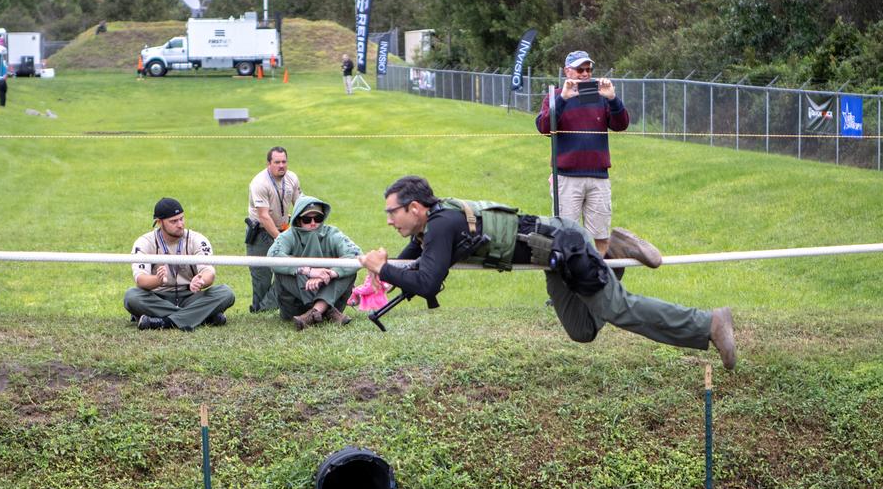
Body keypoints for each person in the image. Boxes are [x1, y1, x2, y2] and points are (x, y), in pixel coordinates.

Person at [358, 175, 737, 370]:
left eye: (393, 212)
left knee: (618, 310)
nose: (389, 220)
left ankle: (709, 324)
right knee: (583, 330)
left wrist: (384, 268)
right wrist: (382, 270)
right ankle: (612, 257)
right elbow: (414, 266)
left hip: (565, 244)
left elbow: (425, 284)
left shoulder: (442, 224)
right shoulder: (431, 227)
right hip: (549, 259)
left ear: (417, 208)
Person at [536, 50, 649, 264]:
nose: (585, 74)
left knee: (600, 237)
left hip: (598, 178)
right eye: (580, 70)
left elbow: (621, 124)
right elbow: (543, 127)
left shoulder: (600, 96)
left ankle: (593, 280)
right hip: (567, 178)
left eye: (588, 69)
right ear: (567, 71)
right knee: (566, 236)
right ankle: (571, 284)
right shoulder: (555, 96)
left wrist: (613, 99)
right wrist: (562, 99)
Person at [126, 197, 234, 331]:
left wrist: (201, 280)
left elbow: (209, 272)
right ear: (159, 222)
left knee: (225, 293)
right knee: (132, 296)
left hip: (190, 295)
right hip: (158, 297)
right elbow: (140, 280)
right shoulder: (144, 242)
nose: (180, 224)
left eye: (182, 218)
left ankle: (163, 322)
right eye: (174, 221)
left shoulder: (197, 239)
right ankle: (204, 316)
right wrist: (157, 280)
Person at [267, 195, 362, 330]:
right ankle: (326, 309)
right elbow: (272, 256)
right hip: (296, 309)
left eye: (318, 218)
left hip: (329, 296)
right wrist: (308, 271)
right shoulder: (288, 236)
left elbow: (357, 255)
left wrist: (332, 272)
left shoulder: (332, 233)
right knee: (283, 269)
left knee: (347, 269)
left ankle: (316, 310)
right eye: (307, 219)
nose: (313, 223)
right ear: (298, 220)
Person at [244, 146, 300, 312]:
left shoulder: (292, 178)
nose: (281, 165)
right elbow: (263, 215)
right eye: (277, 162)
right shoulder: (260, 183)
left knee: (290, 272)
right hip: (261, 233)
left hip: (284, 230)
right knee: (262, 277)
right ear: (269, 164)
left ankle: (263, 309)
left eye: (284, 162)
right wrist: (279, 238)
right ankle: (260, 309)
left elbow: (299, 205)